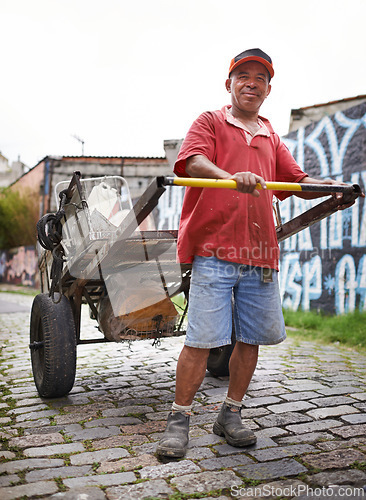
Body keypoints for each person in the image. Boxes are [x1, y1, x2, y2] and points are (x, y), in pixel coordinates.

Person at [156, 48, 354, 458]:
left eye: (259, 78)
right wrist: (231, 176)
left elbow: (295, 180)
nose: (251, 83)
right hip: (214, 250)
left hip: (261, 254)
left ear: (268, 89)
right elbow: (191, 162)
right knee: (202, 340)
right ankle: (179, 420)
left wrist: (332, 189)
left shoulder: (269, 134)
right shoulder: (209, 121)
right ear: (228, 84)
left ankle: (230, 413)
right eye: (242, 75)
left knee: (250, 339)